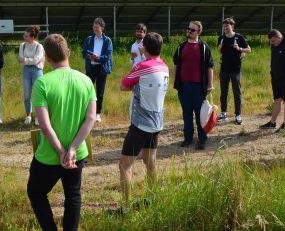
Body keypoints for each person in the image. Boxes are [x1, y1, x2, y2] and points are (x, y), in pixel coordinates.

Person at [27, 34, 96, 231]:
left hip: (49, 155)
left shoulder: (42, 83)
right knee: (73, 194)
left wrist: (60, 152)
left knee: (36, 192)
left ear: (47, 58)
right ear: (68, 53)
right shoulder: (86, 81)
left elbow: (44, 125)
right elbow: (90, 118)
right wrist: (72, 148)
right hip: (77, 153)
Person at [119, 32, 169, 205]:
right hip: (156, 122)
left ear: (144, 48)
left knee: (125, 165)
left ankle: (126, 206)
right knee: (150, 161)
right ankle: (152, 197)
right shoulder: (164, 66)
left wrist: (140, 58)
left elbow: (123, 86)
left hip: (140, 124)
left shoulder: (142, 66)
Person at [173, 21, 214, 150]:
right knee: (186, 114)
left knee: (200, 115)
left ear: (199, 32)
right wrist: (175, 81)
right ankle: (188, 138)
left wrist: (210, 85)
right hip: (184, 87)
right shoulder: (181, 47)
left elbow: (210, 67)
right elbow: (175, 64)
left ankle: (202, 139)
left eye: (192, 30)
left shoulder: (204, 48)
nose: (189, 31)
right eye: (188, 28)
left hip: (199, 87)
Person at [259, 29, 285, 133]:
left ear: (279, 37)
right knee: (277, 100)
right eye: (271, 42)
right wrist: (272, 74)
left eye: (273, 41)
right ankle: (272, 122)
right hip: (276, 78)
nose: (272, 43)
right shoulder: (274, 45)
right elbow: (273, 60)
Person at [216, 17, 251, 125]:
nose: (225, 28)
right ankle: (223, 113)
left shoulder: (238, 37)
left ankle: (238, 115)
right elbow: (219, 51)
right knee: (224, 92)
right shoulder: (221, 38)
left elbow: (249, 50)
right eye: (224, 26)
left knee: (237, 92)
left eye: (227, 26)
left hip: (236, 70)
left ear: (232, 26)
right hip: (224, 69)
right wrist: (219, 48)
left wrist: (240, 49)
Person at [82, 17, 113, 122]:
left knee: (100, 92)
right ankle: (88, 111)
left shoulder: (107, 40)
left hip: (102, 68)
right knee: (88, 90)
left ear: (102, 28)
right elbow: (84, 53)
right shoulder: (89, 39)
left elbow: (108, 56)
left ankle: (98, 113)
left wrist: (98, 58)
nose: (95, 29)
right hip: (90, 68)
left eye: (97, 27)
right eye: (94, 27)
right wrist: (89, 56)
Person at [18, 25, 45, 126]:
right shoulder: (22, 45)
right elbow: (20, 59)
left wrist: (25, 60)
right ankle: (28, 115)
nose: (24, 37)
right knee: (27, 94)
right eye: (24, 35)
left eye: (26, 36)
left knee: (38, 94)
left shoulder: (39, 46)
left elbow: (36, 60)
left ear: (33, 37)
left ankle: (38, 117)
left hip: (37, 70)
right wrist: (30, 61)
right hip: (26, 70)